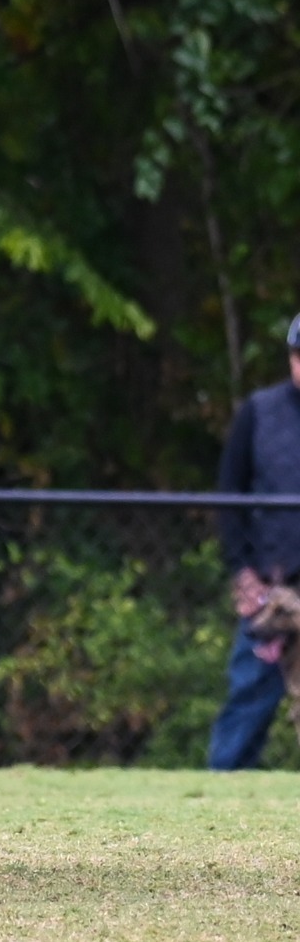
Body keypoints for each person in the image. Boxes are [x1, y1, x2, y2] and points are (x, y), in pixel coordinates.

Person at [210, 314, 300, 770]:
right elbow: (230, 496)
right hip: (271, 583)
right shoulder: (260, 411)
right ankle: (223, 788)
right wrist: (242, 572)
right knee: (250, 690)